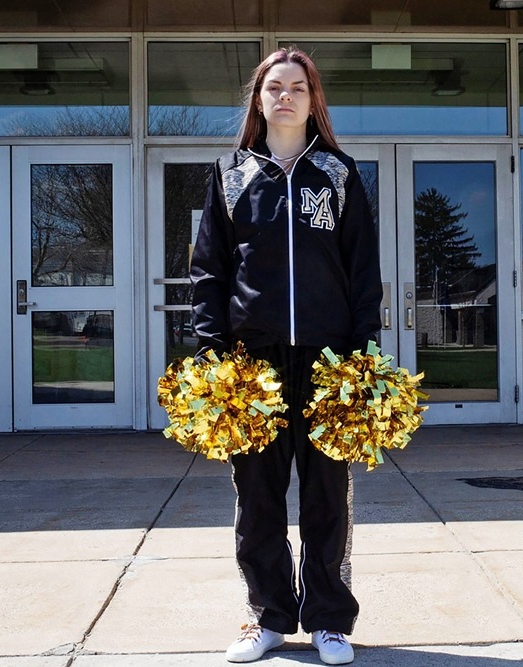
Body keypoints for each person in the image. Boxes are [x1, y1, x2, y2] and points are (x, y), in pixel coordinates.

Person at [189, 47, 382, 665]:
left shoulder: (340, 174)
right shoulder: (229, 175)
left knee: (328, 494)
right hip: (254, 364)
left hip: (328, 362)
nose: (286, 97)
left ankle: (329, 619)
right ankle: (267, 617)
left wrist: (361, 357)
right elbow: (208, 272)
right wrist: (215, 352)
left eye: (298, 87)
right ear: (260, 98)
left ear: (313, 98)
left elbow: (363, 273)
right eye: (275, 86)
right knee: (259, 496)